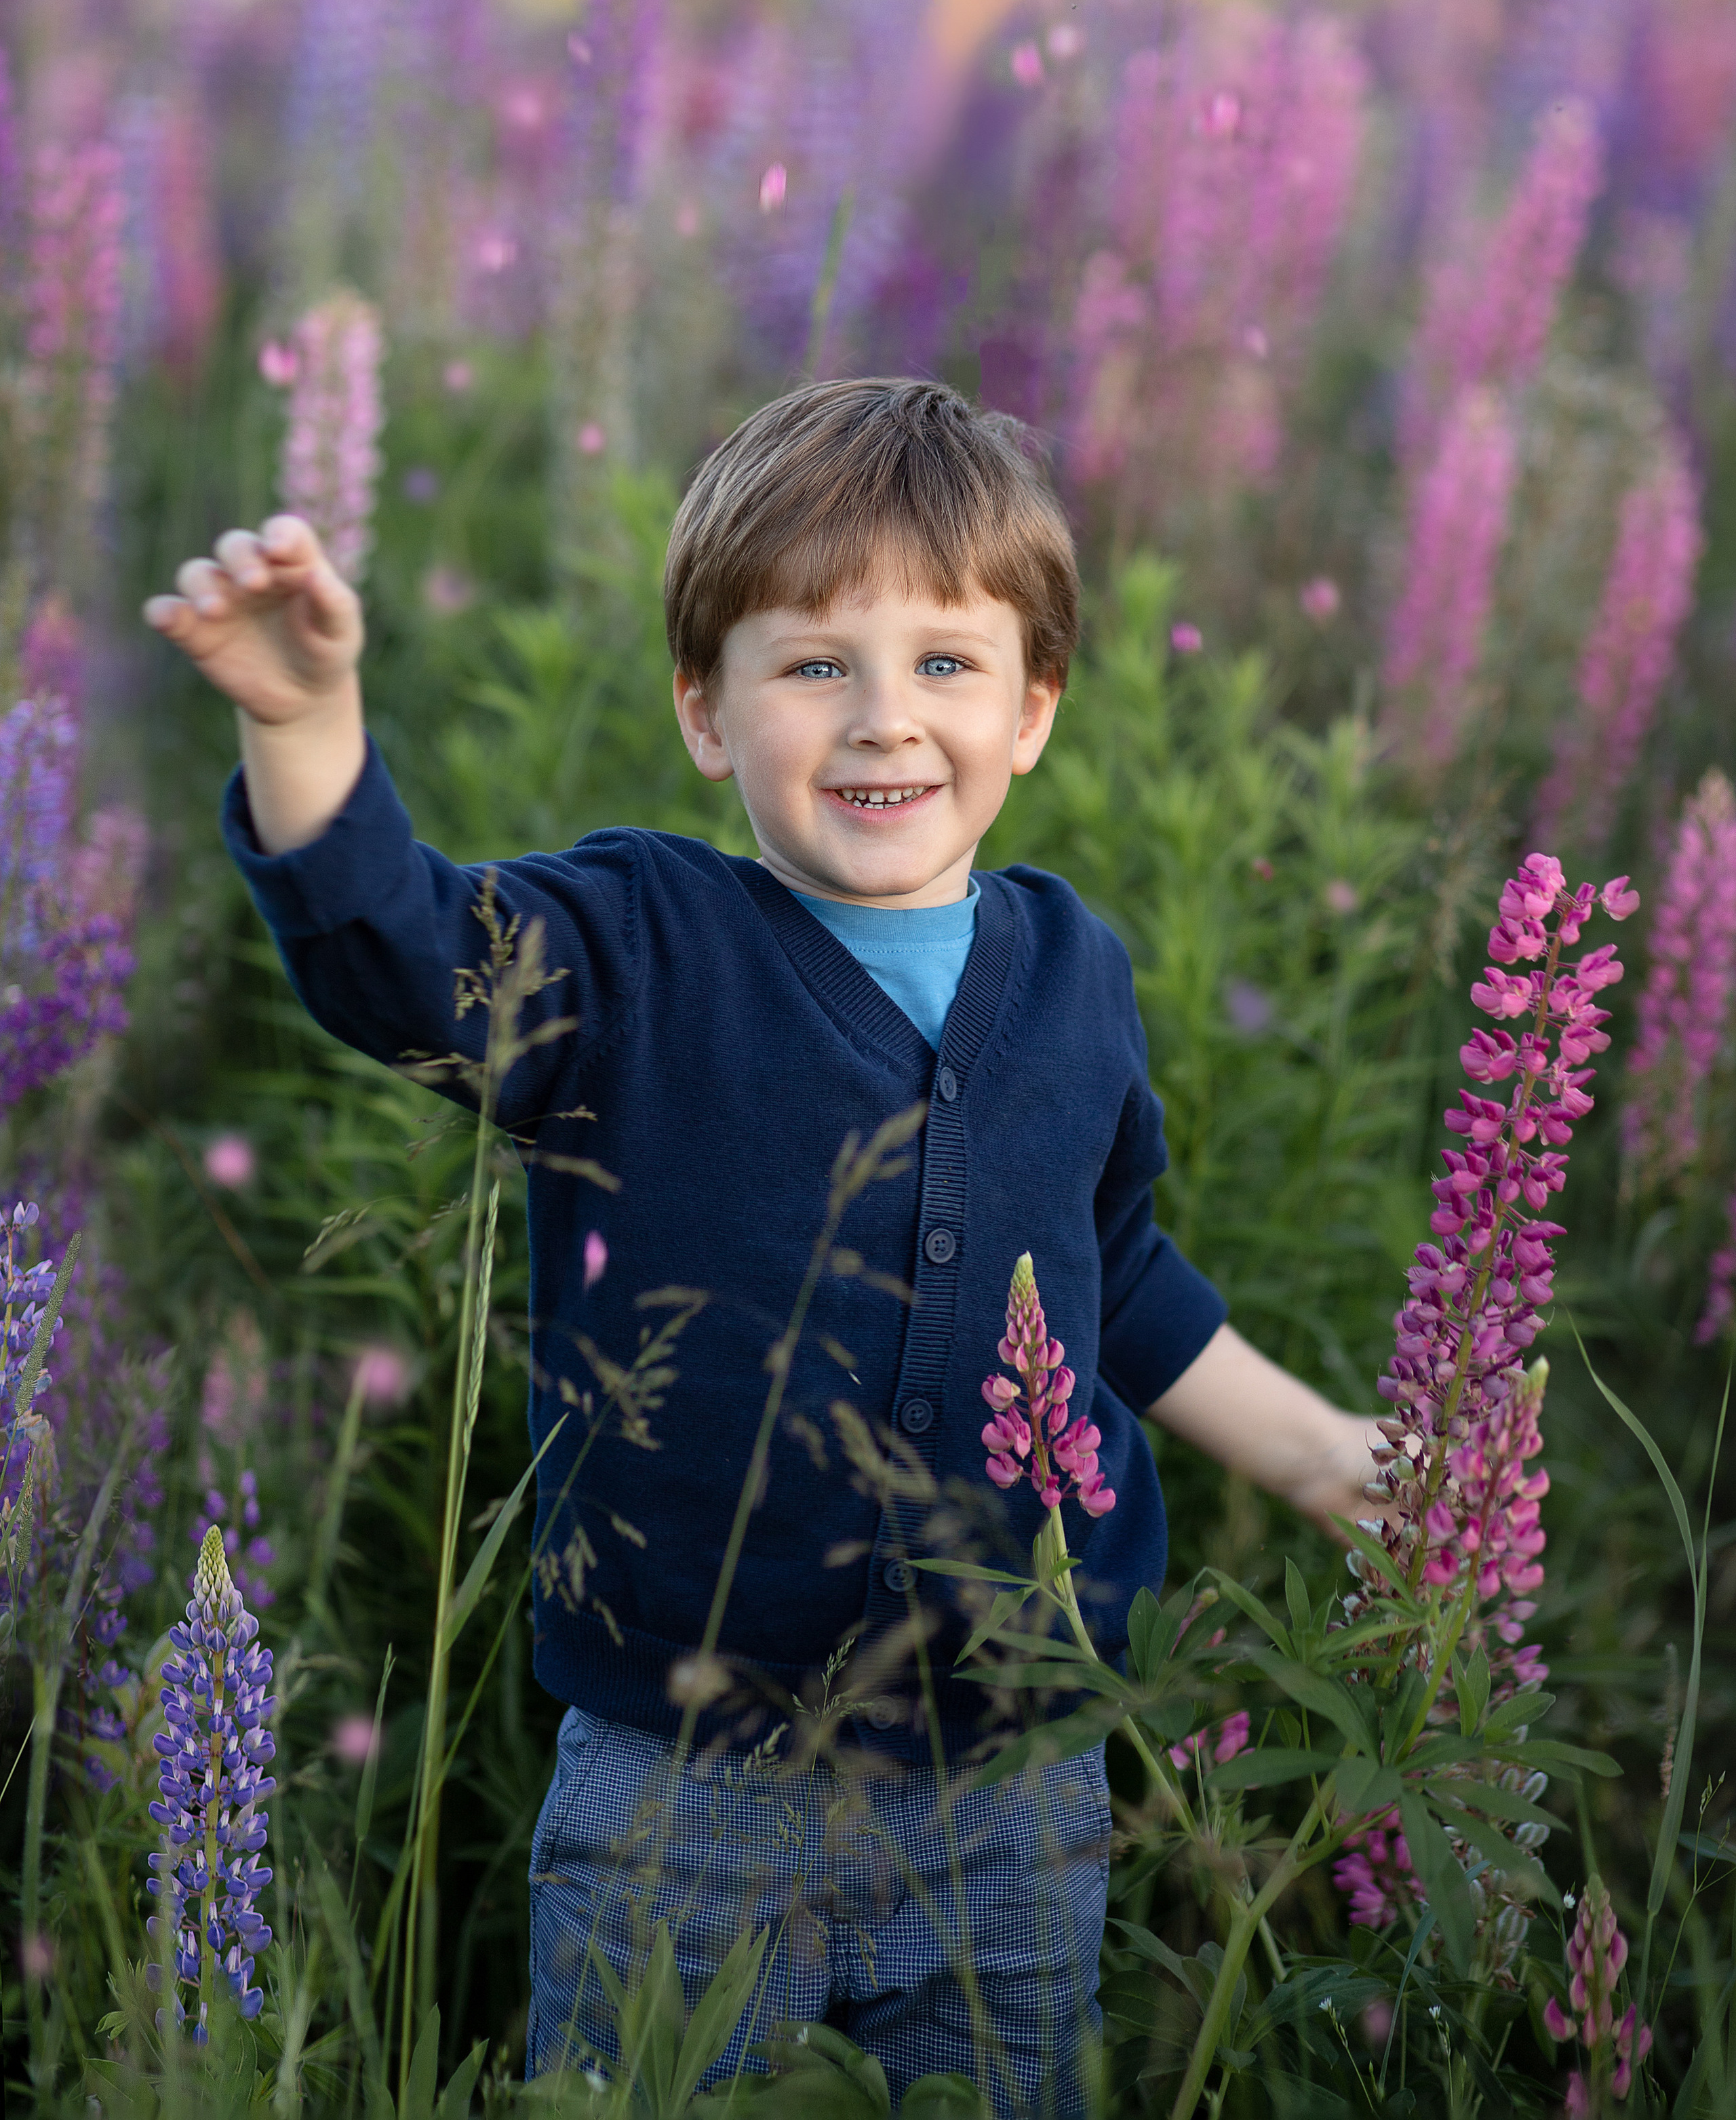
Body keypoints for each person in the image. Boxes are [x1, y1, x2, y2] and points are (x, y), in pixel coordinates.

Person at [147, 376, 1377, 2116]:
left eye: (944, 665)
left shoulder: (1073, 972)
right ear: (703, 712)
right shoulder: (633, 946)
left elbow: (1116, 1279)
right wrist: (306, 731)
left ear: (1034, 708)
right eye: (815, 665)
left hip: (1012, 1769)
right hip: (687, 1779)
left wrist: (1321, 1451)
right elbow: (406, 968)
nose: (883, 720)